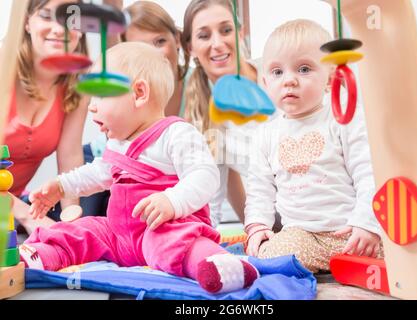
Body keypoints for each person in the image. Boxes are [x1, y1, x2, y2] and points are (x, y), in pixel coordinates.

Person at [19, 42, 259, 294]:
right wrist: (61, 186)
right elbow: (98, 173)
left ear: (139, 93)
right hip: (119, 235)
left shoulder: (176, 134)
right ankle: (41, 255)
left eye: (100, 95)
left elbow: (205, 176)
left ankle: (220, 265)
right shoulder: (117, 143)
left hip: (160, 229)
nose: (91, 105)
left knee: (176, 243)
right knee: (83, 230)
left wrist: (172, 201)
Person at [244, 19, 383, 273]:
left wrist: (366, 223)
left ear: (330, 77)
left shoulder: (343, 117)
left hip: (352, 231)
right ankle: (333, 265)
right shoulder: (264, 135)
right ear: (265, 82)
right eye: (277, 72)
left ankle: (354, 259)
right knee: (267, 257)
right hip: (304, 236)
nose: (289, 80)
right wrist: (258, 226)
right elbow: (259, 191)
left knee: (404, 245)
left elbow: (368, 172)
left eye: (304, 69)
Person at [82, 1, 194, 219]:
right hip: (104, 160)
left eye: (159, 41)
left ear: (177, 40)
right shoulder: (126, 89)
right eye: (140, 47)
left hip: (154, 174)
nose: (152, 54)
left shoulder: (194, 85)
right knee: (91, 222)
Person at [181, 0, 269, 226]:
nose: (217, 43)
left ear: (240, 33)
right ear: (190, 47)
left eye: (226, 30)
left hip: (330, 210)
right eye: (204, 35)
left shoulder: (275, 75)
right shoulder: (203, 118)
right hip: (274, 226)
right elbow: (212, 199)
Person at [5, 0, 89, 234]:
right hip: (15, 211)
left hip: (8, 215)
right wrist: (26, 216)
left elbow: (70, 156)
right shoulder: (3, 68)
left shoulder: (78, 83)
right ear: (27, 22)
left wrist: (70, 223)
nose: (59, 28)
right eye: (46, 15)